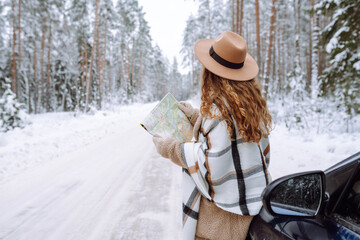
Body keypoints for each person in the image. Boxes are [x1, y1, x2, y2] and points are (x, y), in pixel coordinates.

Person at [152, 30, 272, 240]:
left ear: (211, 74)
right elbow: (244, 148)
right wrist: (196, 118)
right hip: (249, 215)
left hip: (217, 225)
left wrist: (170, 147)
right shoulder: (253, 109)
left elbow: (211, 169)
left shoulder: (218, 112)